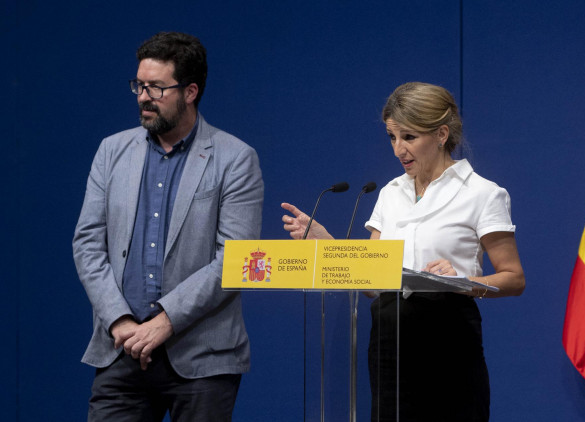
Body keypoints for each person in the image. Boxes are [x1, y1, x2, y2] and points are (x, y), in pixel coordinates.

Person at [281, 82, 525, 421]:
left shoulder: (483, 193)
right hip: (389, 339)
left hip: (447, 338)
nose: (399, 150)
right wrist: (327, 245)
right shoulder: (390, 193)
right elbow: (371, 283)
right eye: (392, 138)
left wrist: (462, 280)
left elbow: (514, 278)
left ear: (441, 134)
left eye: (409, 137)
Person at [72, 32, 264, 422]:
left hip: (202, 359)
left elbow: (236, 259)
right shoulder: (112, 150)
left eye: (157, 88)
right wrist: (121, 321)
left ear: (190, 91)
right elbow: (88, 243)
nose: (143, 97)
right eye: (139, 86)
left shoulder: (235, 158)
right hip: (121, 350)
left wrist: (165, 321)